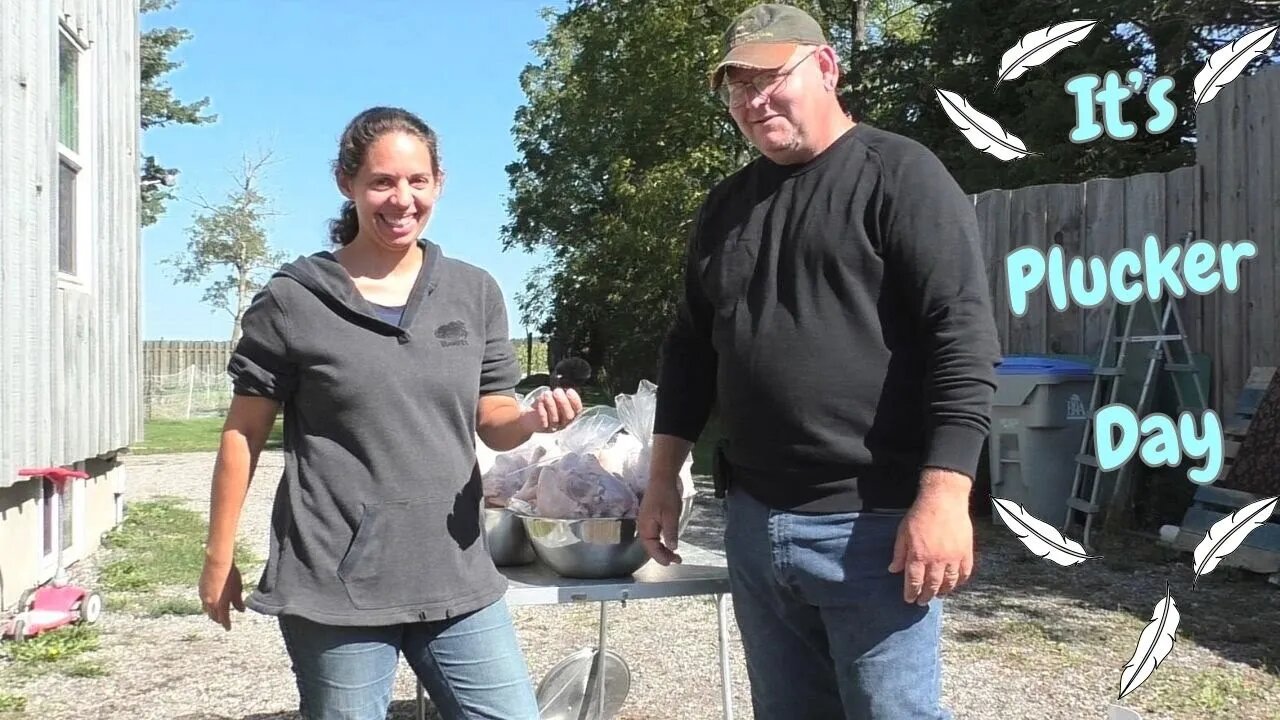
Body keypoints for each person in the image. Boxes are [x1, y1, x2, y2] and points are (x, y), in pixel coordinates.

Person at [637, 5, 1001, 720]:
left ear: (827, 67)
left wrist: (946, 495)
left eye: (771, 77)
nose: (753, 99)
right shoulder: (726, 208)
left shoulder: (900, 175)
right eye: (737, 86)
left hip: (871, 526)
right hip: (753, 519)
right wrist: (660, 479)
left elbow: (961, 336)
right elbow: (688, 351)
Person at [197, 106, 581, 720]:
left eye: (417, 181)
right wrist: (219, 555)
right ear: (346, 184)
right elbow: (243, 432)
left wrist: (534, 419)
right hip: (335, 585)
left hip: (454, 572)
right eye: (382, 182)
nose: (401, 199)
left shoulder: (473, 291)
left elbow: (495, 416)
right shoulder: (293, 300)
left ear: (439, 183)